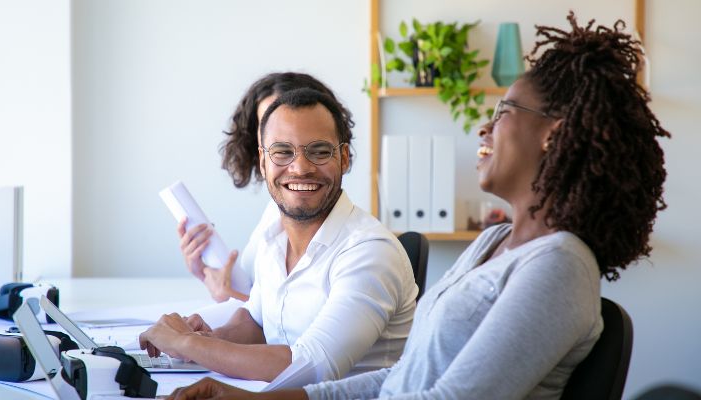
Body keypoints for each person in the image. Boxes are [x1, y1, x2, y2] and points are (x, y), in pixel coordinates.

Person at [164, 12, 669, 399]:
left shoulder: (560, 267)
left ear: (551, 136)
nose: (484, 129)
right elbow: (402, 378)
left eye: (503, 112)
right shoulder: (495, 241)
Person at [141, 87, 418, 382]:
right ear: (263, 161)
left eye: (320, 151)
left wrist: (189, 344)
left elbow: (312, 366)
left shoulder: (370, 250)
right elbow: (257, 321)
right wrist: (210, 337)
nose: (300, 167)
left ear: (345, 158)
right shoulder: (273, 235)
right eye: (283, 151)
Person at [179, 72, 355, 302]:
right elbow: (263, 304)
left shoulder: (349, 241)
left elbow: (291, 324)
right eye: (270, 124)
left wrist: (227, 298)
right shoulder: (273, 217)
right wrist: (207, 272)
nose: (299, 167)